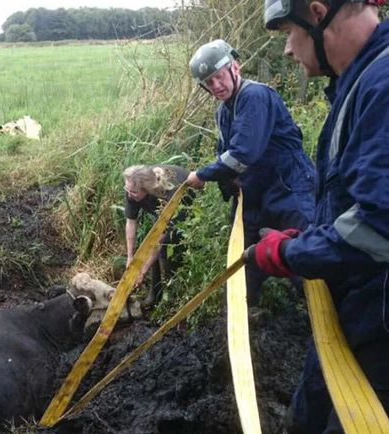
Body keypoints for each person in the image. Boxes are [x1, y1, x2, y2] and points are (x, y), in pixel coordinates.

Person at [249, 1, 389, 432]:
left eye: (290, 32)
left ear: (318, 12)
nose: (289, 50)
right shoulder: (361, 82)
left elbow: (377, 227)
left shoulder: (383, 86)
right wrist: (312, 239)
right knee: (305, 416)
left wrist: (291, 253)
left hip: (379, 326)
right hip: (348, 312)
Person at [185, 39, 316, 306]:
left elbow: (243, 154)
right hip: (254, 193)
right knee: (244, 258)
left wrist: (201, 174)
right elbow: (226, 156)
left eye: (219, 77)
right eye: (208, 83)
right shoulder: (223, 112)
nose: (216, 86)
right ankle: (248, 316)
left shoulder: (254, 96)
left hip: (289, 186)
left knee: (306, 256)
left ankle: (323, 323)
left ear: (235, 67)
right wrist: (227, 183)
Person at [123, 164, 191, 308]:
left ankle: (172, 296)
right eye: (127, 190)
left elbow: (159, 240)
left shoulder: (168, 194)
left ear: (146, 190)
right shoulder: (132, 187)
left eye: (133, 192)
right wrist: (130, 257)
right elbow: (131, 223)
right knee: (150, 241)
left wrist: (142, 270)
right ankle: (155, 292)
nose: (129, 195)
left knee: (167, 249)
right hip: (160, 210)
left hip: (184, 204)